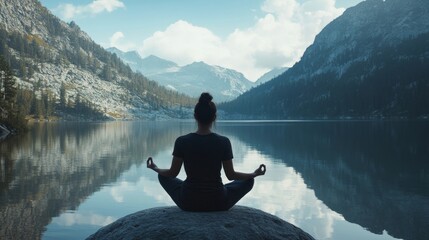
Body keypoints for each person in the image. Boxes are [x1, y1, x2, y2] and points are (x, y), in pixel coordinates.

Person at [147, 92, 266, 212]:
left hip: (188, 201)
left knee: (162, 176)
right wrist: (253, 174)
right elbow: (231, 175)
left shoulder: (182, 141)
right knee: (248, 181)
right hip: (218, 202)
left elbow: (172, 173)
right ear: (214, 117)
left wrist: (155, 168)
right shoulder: (223, 142)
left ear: (195, 116)